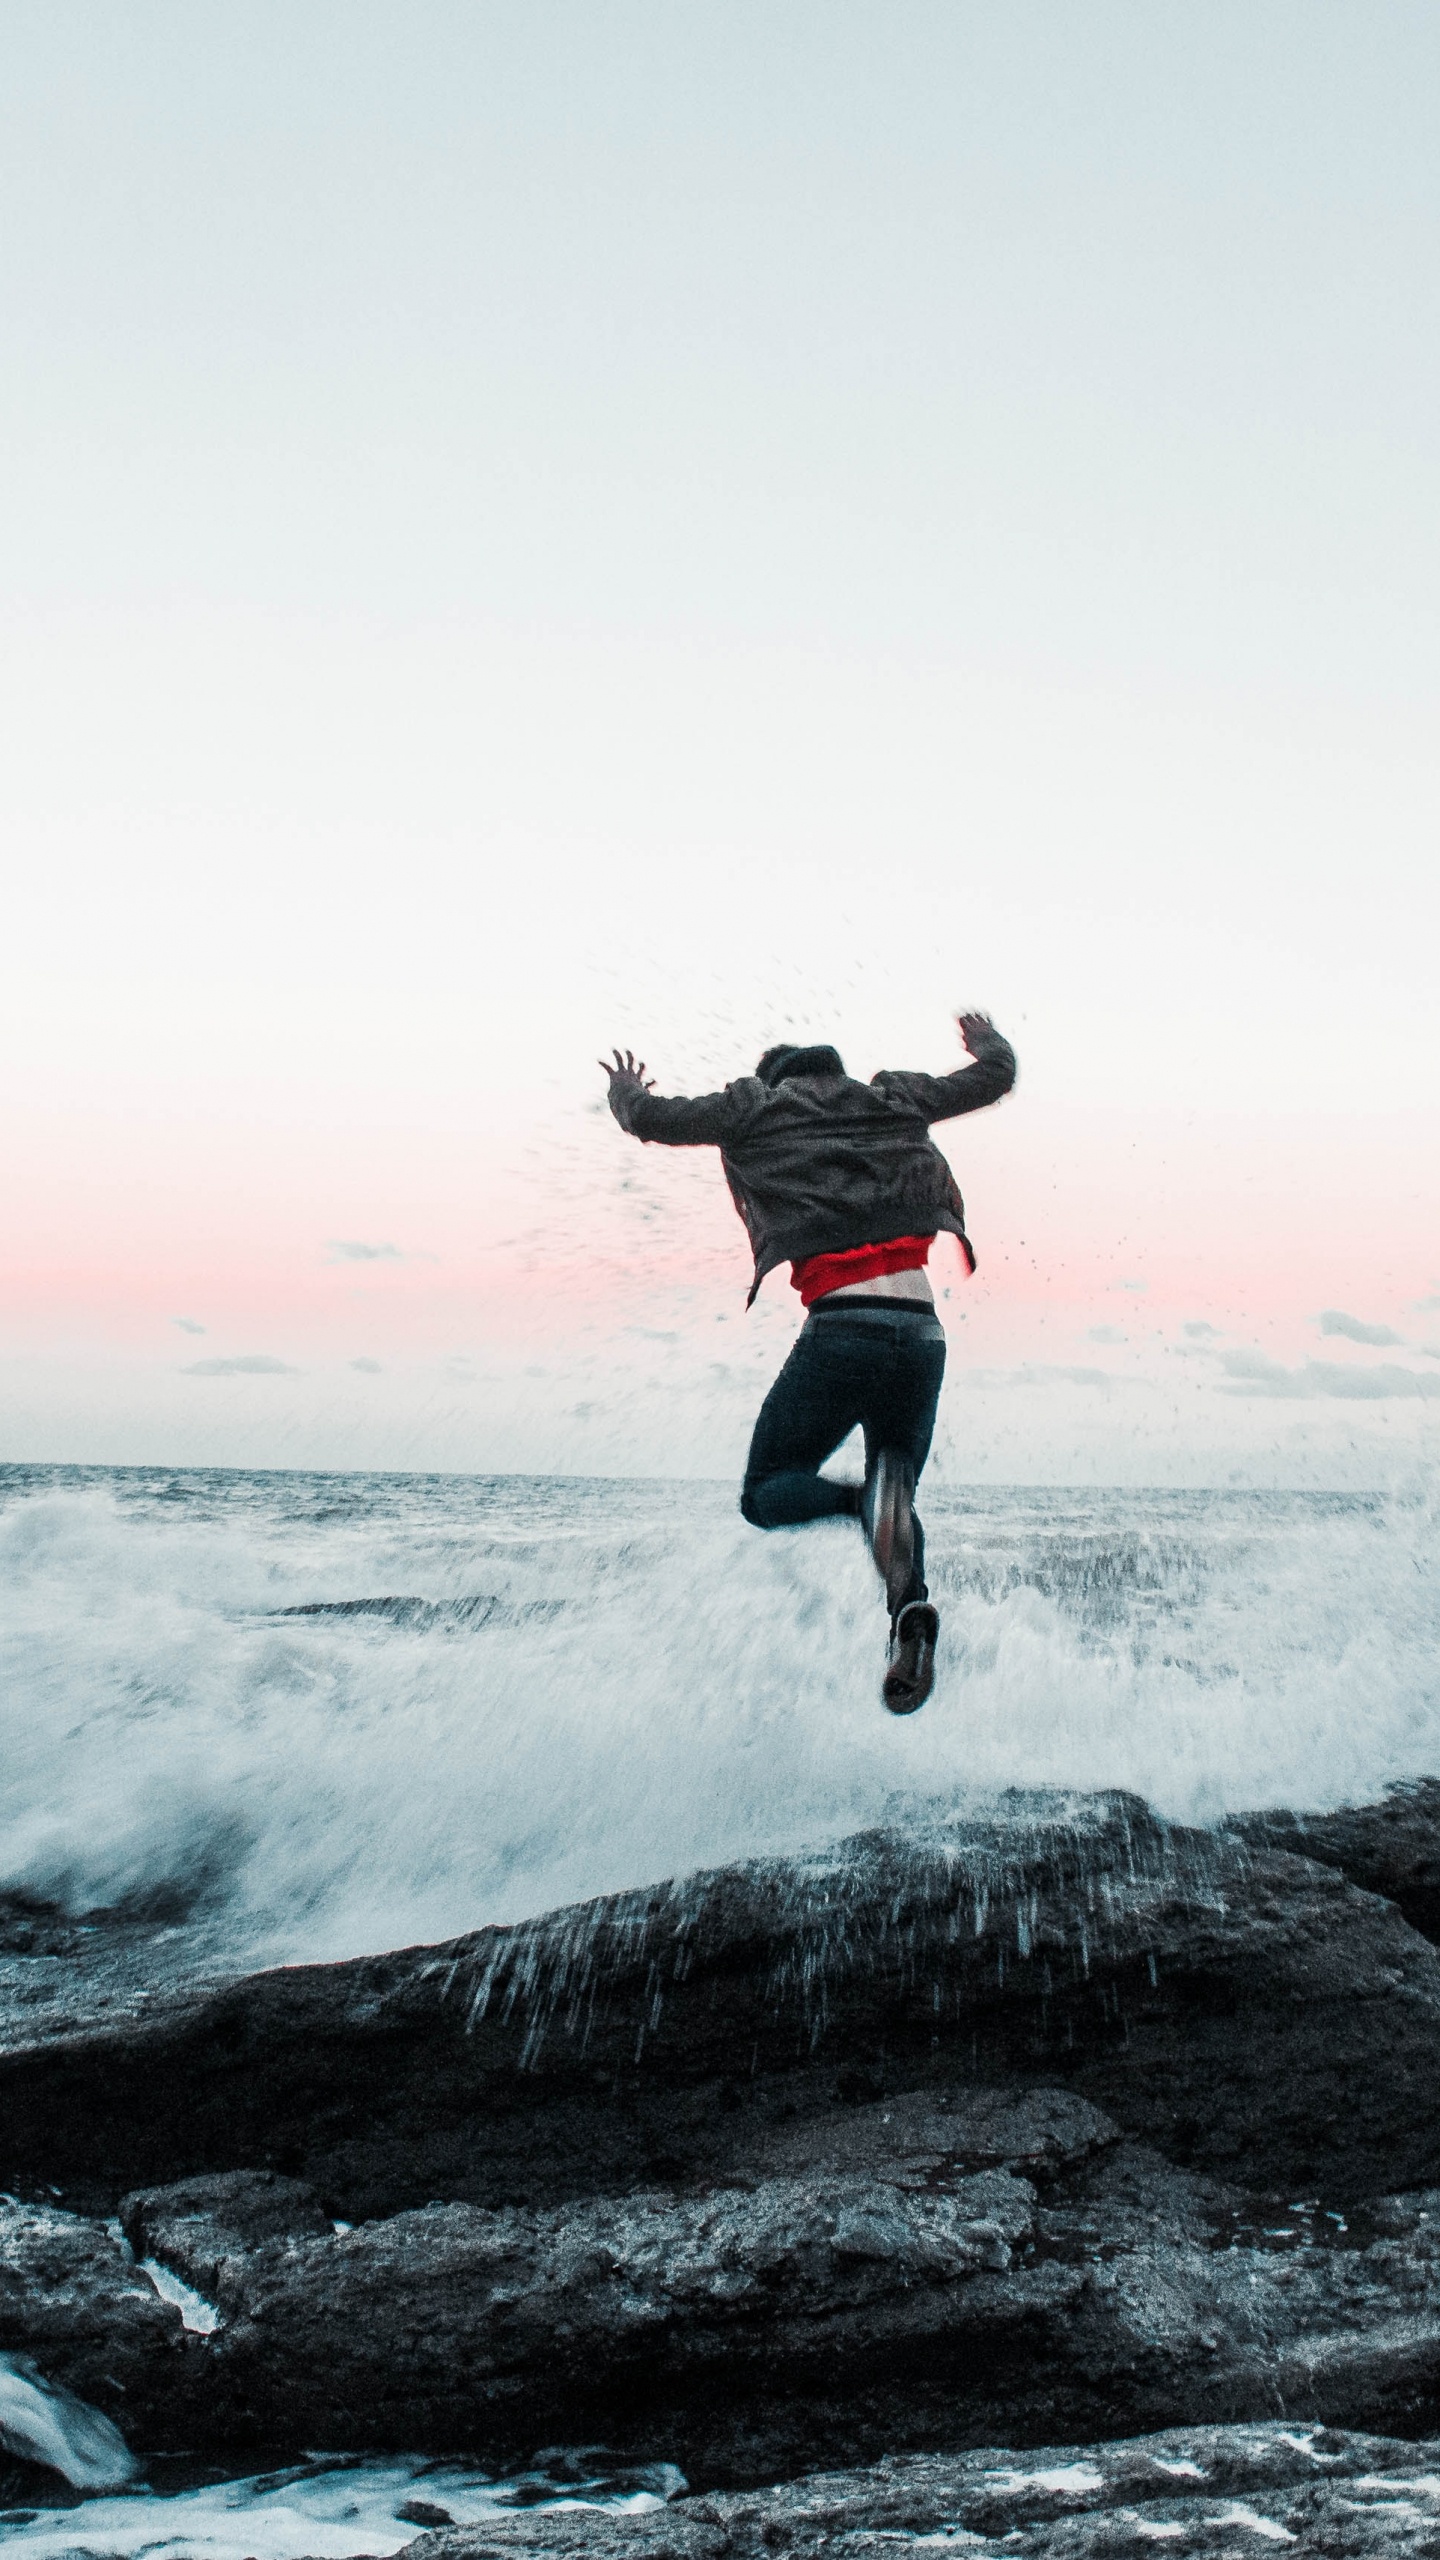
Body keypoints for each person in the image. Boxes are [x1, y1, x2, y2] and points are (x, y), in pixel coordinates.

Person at [600, 1012, 1017, 1712]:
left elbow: (651, 1119)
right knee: (897, 1493)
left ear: (774, 1081)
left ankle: (859, 1504)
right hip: (922, 1335)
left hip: (845, 1328)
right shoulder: (891, 1098)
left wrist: (624, 1089)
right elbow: (994, 1077)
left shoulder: (755, 1108)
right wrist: (985, 1041)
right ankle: (909, 1613)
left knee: (766, 1492)